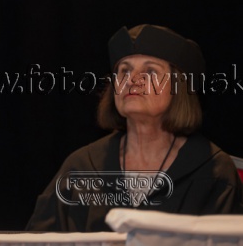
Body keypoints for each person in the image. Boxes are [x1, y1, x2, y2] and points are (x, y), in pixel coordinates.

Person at [26, 24, 243, 231]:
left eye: (150, 72)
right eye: (124, 71)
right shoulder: (81, 167)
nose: (131, 80)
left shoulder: (213, 171)